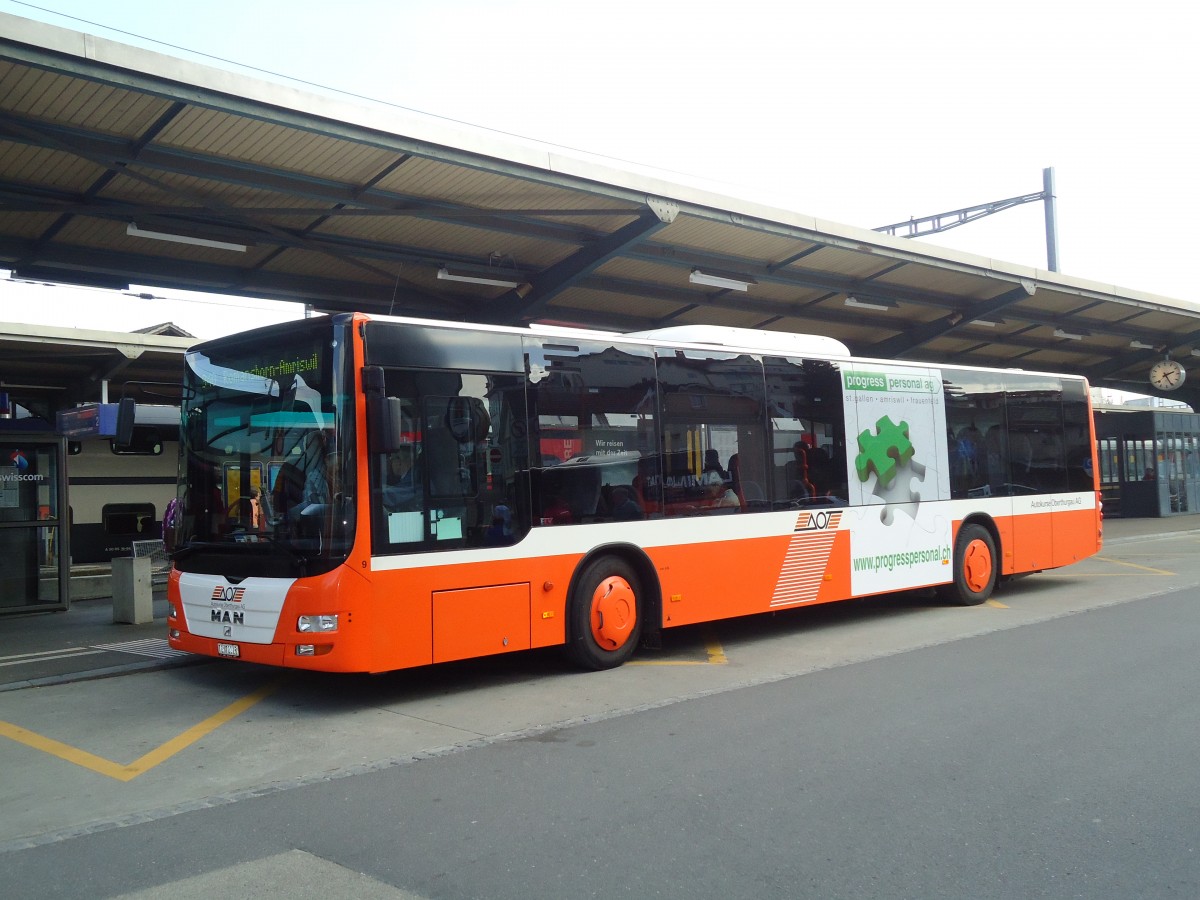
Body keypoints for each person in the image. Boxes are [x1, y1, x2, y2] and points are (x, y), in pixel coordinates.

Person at [382, 444, 422, 510]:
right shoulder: (413, 476)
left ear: (399, 461)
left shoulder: (414, 479)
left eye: (392, 459)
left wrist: (375, 491)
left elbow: (394, 495)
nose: (391, 463)